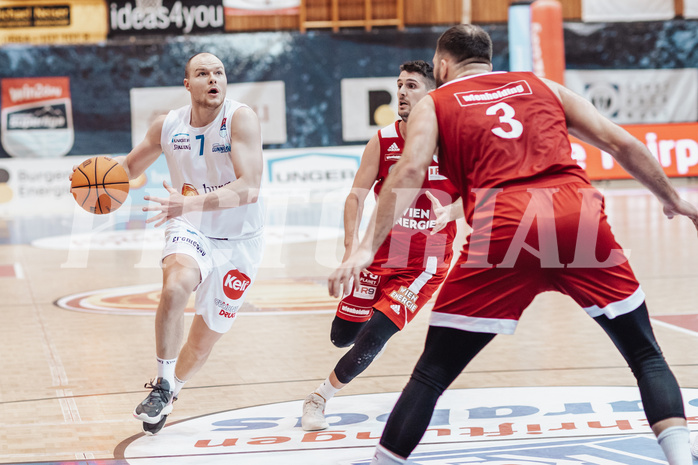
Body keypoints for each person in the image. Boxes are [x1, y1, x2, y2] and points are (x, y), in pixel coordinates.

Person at [329, 25, 698, 465]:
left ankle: (384, 461)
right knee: (646, 355)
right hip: (576, 215)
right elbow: (619, 141)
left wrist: (365, 249)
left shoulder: (436, 102)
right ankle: (679, 456)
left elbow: (408, 173)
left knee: (431, 374)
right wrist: (673, 199)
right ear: (487, 57)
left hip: (504, 226)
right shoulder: (543, 86)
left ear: (443, 64)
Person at [77, 52, 264, 435]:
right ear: (187, 84)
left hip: (240, 240)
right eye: (202, 73)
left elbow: (250, 188)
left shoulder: (240, 119)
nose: (213, 79)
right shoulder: (168, 126)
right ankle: (161, 383)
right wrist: (96, 182)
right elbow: (128, 169)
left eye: (219, 73)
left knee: (200, 344)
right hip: (190, 226)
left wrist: (188, 201)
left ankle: (172, 389)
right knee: (176, 285)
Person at [301, 60, 462, 431]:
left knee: (376, 334)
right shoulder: (384, 139)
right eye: (400, 84)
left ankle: (319, 398)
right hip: (377, 256)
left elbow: (478, 197)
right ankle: (376, 327)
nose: (402, 92)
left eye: (412, 86)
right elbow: (356, 197)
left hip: (426, 264)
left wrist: (450, 212)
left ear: (431, 95)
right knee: (342, 336)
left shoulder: (454, 143)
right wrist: (349, 249)